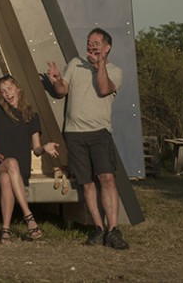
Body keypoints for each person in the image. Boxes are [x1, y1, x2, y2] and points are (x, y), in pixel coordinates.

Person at [47, 27, 129, 250]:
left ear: (107, 47)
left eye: (96, 42)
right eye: (89, 41)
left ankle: (113, 230)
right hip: (74, 134)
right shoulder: (75, 64)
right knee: (87, 184)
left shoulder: (115, 71)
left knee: (107, 179)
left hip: (99, 133)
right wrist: (56, 79)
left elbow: (104, 89)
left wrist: (99, 64)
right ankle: (98, 228)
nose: (91, 45)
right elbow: (62, 90)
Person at [0, 74, 59, 243]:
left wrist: (45, 148)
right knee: (11, 163)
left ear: (17, 88)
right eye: (3, 91)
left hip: (19, 169)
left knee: (7, 178)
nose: (7, 93)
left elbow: (36, 150)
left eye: (10, 88)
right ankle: (29, 217)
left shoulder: (31, 116)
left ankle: (5, 230)